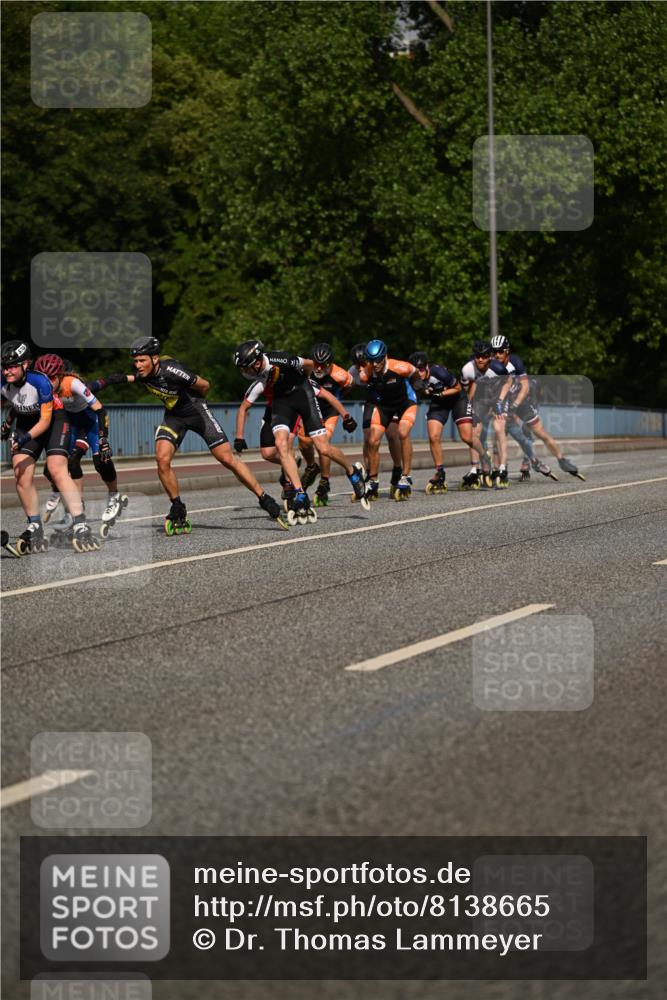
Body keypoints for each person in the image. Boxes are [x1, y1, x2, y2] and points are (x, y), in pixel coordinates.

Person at [97, 336, 286, 532]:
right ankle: (177, 505)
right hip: (174, 418)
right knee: (162, 459)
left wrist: (197, 401)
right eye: (135, 361)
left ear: (155, 358)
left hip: (197, 412)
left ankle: (264, 498)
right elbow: (129, 378)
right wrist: (105, 382)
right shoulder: (144, 373)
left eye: (142, 360)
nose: (138, 365)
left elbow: (204, 385)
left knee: (227, 459)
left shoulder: (172, 370)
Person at [233, 340, 367, 522]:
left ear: (257, 362)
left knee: (323, 448)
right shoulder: (258, 375)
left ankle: (352, 472)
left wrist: (306, 381)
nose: (244, 372)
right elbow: (244, 406)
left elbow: (309, 364)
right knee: (281, 445)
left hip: (303, 394)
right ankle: (300, 493)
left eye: (246, 368)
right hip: (282, 401)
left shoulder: (280, 359)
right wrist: (239, 437)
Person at [1, 340, 98, 554]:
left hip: (54, 421)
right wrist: (7, 426)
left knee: (56, 468)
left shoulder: (41, 383)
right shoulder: (3, 381)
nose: (7, 371)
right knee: (20, 471)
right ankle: (34, 524)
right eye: (4, 366)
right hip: (26, 422)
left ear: (26, 365)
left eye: (12, 366)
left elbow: (44, 422)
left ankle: (80, 523)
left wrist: (23, 439)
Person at [35, 355, 129, 537]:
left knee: (101, 460)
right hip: (73, 425)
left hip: (90, 423)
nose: (48, 382)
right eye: (44, 378)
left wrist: (103, 439)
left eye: (52, 378)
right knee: (58, 466)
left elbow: (101, 408)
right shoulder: (45, 388)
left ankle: (114, 496)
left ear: (61, 376)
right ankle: (76, 508)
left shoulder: (74, 384)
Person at [234, 373, 359, 508]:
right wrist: (239, 437)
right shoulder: (262, 382)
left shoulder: (296, 377)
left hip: (293, 412)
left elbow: (327, 395)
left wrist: (346, 416)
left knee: (289, 446)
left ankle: (292, 486)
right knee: (267, 453)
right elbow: (243, 407)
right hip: (273, 413)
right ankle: (292, 462)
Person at [490, 335, 585, 480]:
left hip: (520, 402)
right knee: (498, 435)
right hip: (501, 403)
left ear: (507, 351)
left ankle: (562, 460)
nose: (497, 355)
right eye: (494, 351)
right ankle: (497, 470)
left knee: (540, 432)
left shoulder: (515, 362)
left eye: (500, 351)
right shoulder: (490, 366)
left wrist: (515, 406)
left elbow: (526, 386)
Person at [408, 350, 492, 494]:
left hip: (457, 400)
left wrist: (440, 393)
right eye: (416, 370)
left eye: (421, 369)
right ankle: (440, 472)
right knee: (433, 437)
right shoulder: (413, 378)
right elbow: (416, 392)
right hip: (439, 403)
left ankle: (484, 455)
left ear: (427, 366)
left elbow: (458, 387)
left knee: (466, 437)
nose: (419, 373)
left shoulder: (439, 372)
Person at [357, 340, 419, 501]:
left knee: (402, 433)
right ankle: (373, 480)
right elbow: (362, 384)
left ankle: (405, 475)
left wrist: (418, 384)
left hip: (406, 403)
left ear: (385, 356)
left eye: (378, 360)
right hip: (385, 406)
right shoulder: (367, 372)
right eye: (371, 360)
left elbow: (414, 373)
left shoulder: (399, 366)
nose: (375, 364)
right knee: (373, 439)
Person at [298, 343, 357, 498]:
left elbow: (350, 384)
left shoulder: (340, 375)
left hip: (329, 410)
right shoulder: (304, 369)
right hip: (310, 409)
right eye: (316, 364)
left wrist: (339, 397)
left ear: (330, 364)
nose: (318, 369)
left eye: (323, 366)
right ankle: (311, 467)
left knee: (323, 445)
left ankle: (324, 480)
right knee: (303, 442)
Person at [348, 342, 403, 497]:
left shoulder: (381, 365)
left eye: (362, 364)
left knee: (392, 435)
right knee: (368, 439)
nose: (360, 369)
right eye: (356, 365)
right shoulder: (353, 371)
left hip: (390, 401)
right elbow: (343, 386)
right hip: (372, 402)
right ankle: (372, 478)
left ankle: (398, 469)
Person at [460, 340, 512, 489]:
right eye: (477, 356)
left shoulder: (497, 368)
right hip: (481, 397)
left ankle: (502, 467)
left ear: (490, 356)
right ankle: (474, 468)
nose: (480, 360)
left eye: (484, 356)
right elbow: (465, 389)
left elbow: (508, 382)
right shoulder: (467, 369)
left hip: (498, 397)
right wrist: (469, 407)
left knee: (498, 428)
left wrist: (500, 401)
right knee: (473, 432)